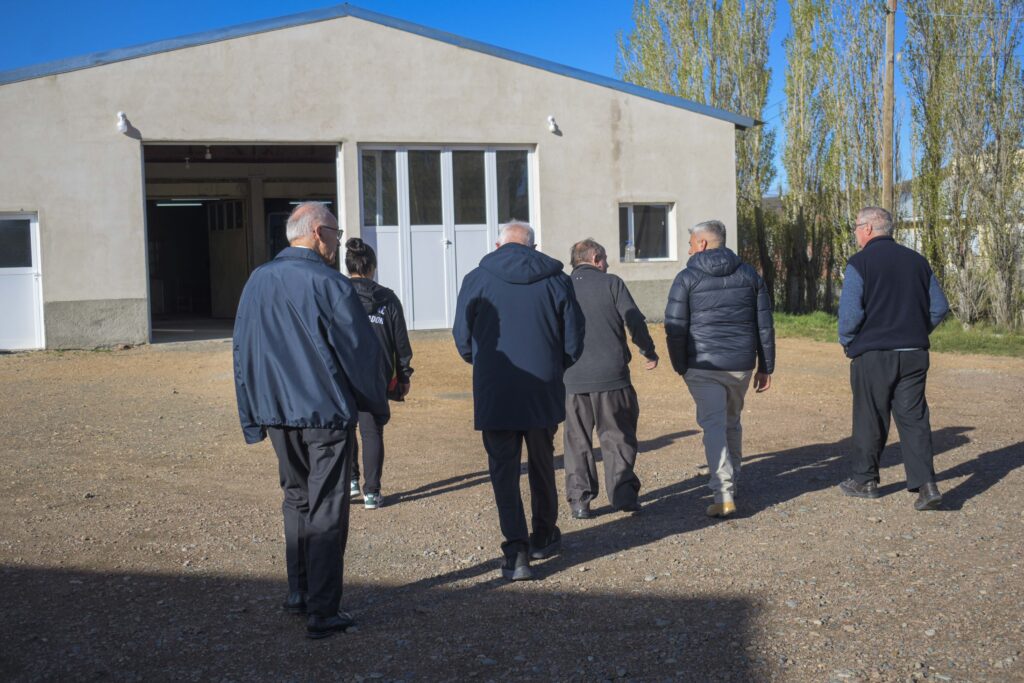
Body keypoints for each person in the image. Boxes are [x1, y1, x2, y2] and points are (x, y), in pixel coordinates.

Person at [232, 202, 389, 639]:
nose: (339, 243)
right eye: (336, 235)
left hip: (278, 413)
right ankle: (323, 609)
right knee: (326, 507)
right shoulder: (331, 284)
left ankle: (299, 593)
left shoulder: (257, 281)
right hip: (325, 414)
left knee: (296, 499)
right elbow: (361, 354)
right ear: (319, 233)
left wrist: (252, 415)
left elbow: (242, 351)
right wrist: (377, 405)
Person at [452, 220, 584, 581]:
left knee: (503, 473)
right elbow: (573, 341)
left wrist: (484, 365)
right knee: (543, 465)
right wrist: (555, 366)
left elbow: (462, 338)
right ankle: (543, 535)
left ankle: (516, 552)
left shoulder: (477, 279)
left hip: (496, 391)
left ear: (499, 246)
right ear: (533, 246)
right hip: (542, 389)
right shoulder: (557, 280)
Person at [837, 206, 949, 510]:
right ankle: (926, 485)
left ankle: (865, 480)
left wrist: (849, 343)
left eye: (857, 227)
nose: (856, 233)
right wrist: (915, 331)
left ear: (869, 229)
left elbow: (849, 315)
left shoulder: (859, 263)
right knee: (914, 419)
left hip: (873, 354)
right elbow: (939, 307)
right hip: (914, 353)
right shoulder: (918, 261)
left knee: (870, 416)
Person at [664, 219, 775, 518]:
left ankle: (723, 492)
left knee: (714, 426)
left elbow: (675, 328)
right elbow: (764, 323)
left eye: (689, 243)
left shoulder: (687, 277)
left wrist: (680, 366)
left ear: (701, 244)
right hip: (740, 364)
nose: (688, 249)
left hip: (702, 366)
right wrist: (766, 366)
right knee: (731, 421)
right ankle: (733, 479)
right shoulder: (750, 274)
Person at [562, 238, 658, 520]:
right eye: (604, 259)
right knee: (618, 436)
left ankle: (580, 502)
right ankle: (623, 495)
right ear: (595, 258)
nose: (607, 265)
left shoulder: (561, 286)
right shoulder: (612, 283)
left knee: (577, 441)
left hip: (572, 379)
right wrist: (647, 350)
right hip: (612, 376)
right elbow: (634, 319)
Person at [344, 237, 413, 510]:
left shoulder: (337, 293)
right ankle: (372, 492)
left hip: (342, 374)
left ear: (348, 265)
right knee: (372, 433)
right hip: (376, 376)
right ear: (372, 266)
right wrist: (404, 374)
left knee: (345, 428)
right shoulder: (388, 298)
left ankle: (349, 482)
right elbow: (401, 341)